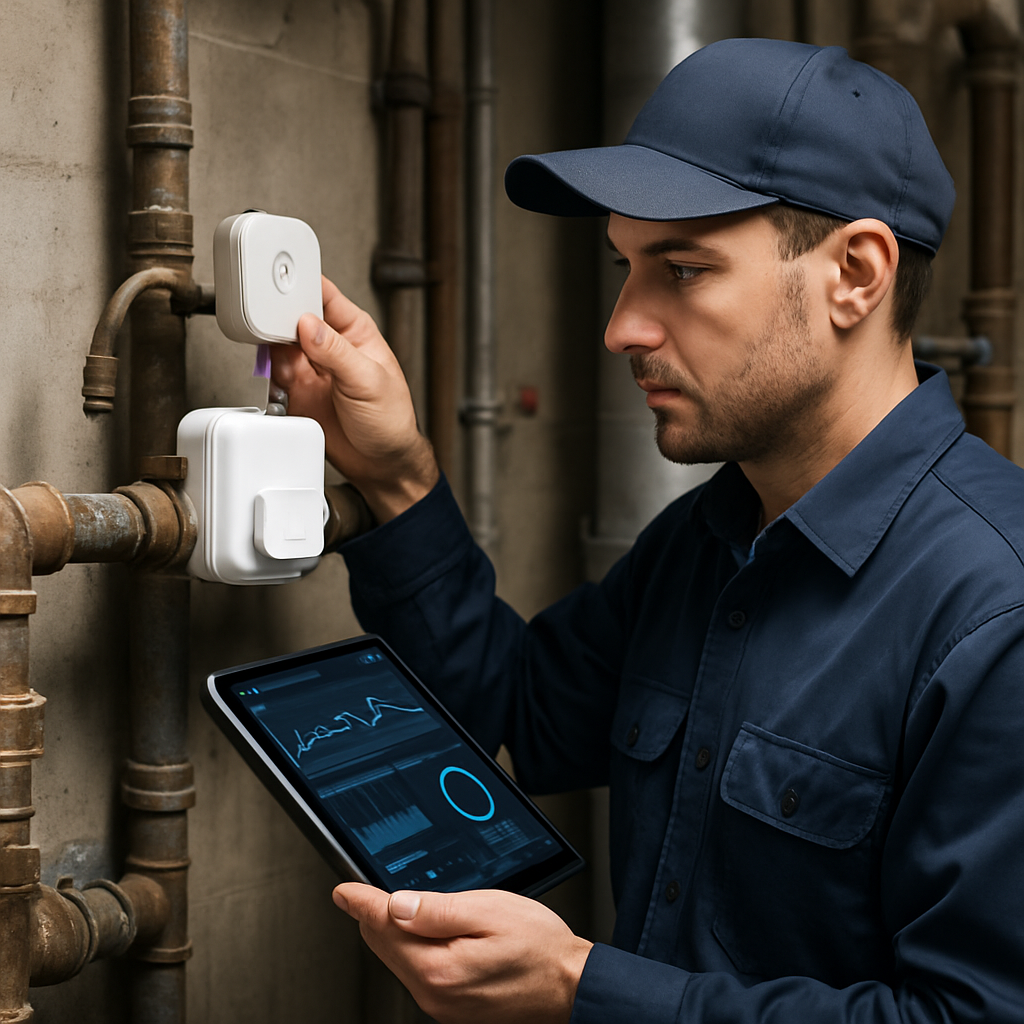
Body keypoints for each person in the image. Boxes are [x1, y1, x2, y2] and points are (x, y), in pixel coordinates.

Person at [271, 37, 1024, 1024]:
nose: (622, 325)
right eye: (626, 267)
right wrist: (398, 476)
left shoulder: (993, 613)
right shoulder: (709, 536)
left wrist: (582, 987)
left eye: (682, 268)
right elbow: (523, 709)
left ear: (854, 273)